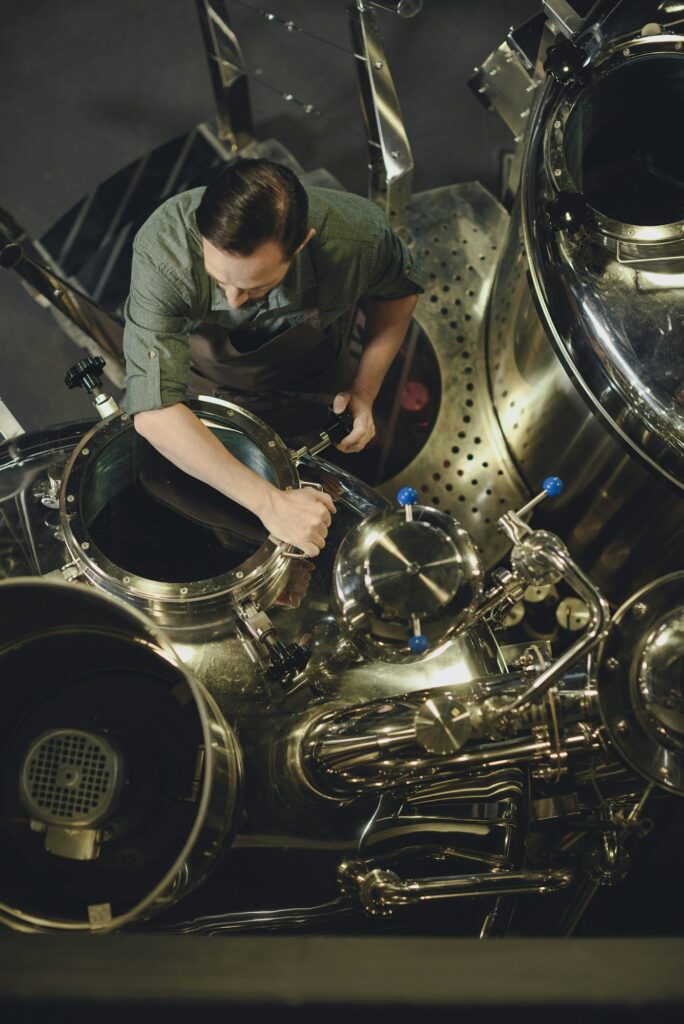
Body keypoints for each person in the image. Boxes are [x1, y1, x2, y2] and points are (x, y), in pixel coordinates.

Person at [123, 159, 423, 557]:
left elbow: (398, 291)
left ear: (301, 244)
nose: (232, 300)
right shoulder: (164, 251)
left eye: (256, 287)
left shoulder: (356, 239)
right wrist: (269, 504)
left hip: (310, 378)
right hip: (200, 382)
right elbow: (156, 410)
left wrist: (365, 389)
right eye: (219, 281)